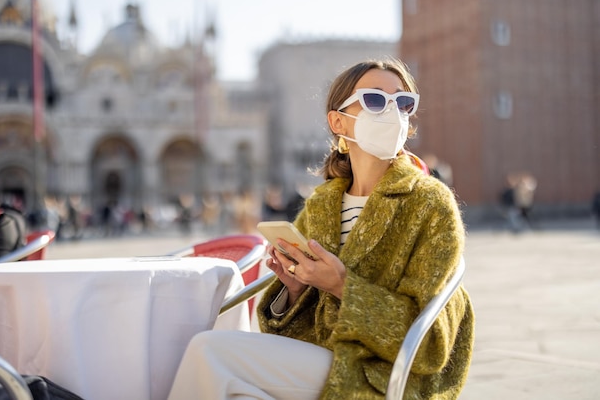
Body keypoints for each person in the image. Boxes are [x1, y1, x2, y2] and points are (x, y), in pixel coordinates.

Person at [168, 58, 475, 399]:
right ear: (338, 122)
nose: (392, 112)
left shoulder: (429, 202)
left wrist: (344, 286)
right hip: (320, 358)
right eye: (375, 99)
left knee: (210, 351)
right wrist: (295, 290)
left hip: (379, 373)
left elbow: (431, 342)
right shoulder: (321, 204)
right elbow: (285, 329)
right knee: (224, 379)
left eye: (403, 103)